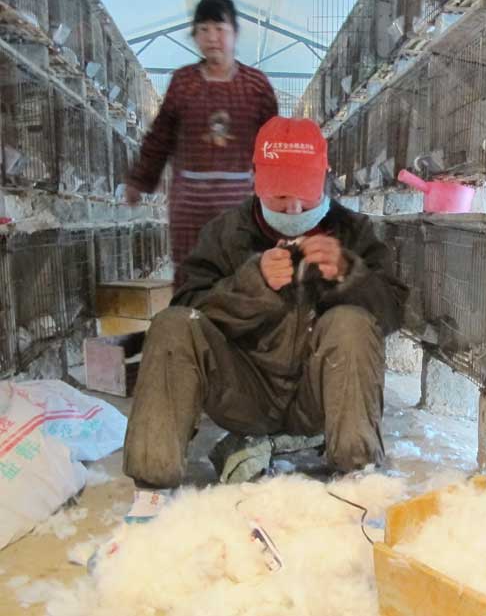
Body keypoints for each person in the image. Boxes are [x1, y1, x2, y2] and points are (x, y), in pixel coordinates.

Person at [122, 116, 407, 522]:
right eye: (279, 200)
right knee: (171, 325)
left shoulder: (353, 230)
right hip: (243, 393)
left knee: (350, 321)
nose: (293, 210)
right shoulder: (225, 232)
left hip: (319, 400)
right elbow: (188, 305)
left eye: (305, 201)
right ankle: (151, 491)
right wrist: (250, 286)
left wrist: (351, 273)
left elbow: (395, 312)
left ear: (324, 180)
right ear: (255, 181)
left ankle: (358, 479)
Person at [125, 0, 278, 287]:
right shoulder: (184, 82)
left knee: (242, 270)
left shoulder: (257, 86)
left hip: (239, 199)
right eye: (203, 29)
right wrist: (139, 180)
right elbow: (161, 136)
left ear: (235, 33)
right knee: (191, 273)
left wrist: (278, 194)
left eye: (220, 29)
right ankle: (189, 325)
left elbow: (272, 146)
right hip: (189, 201)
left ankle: (239, 327)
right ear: (195, 36)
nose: (212, 38)